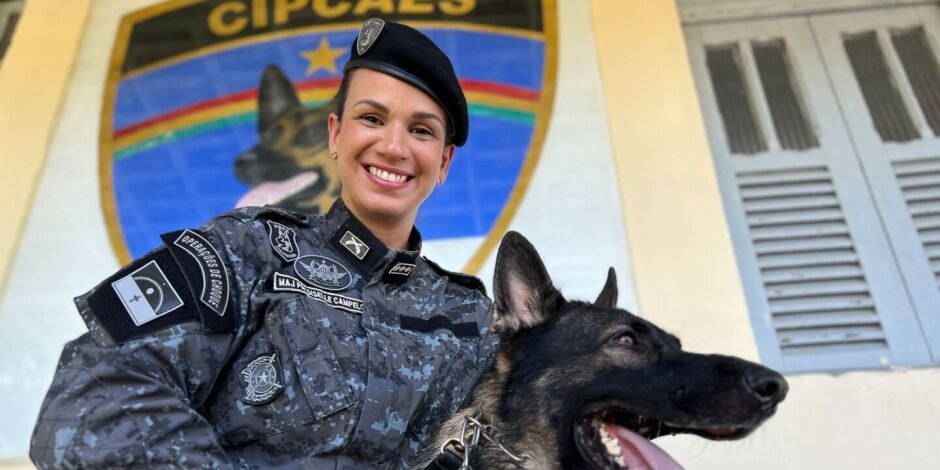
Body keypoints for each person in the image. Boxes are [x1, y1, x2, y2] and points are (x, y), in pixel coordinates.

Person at [30, 19, 497, 469]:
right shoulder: (243, 253)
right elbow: (90, 397)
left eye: (421, 130)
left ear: (444, 162)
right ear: (336, 134)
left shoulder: (472, 324)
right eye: (372, 118)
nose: (394, 146)